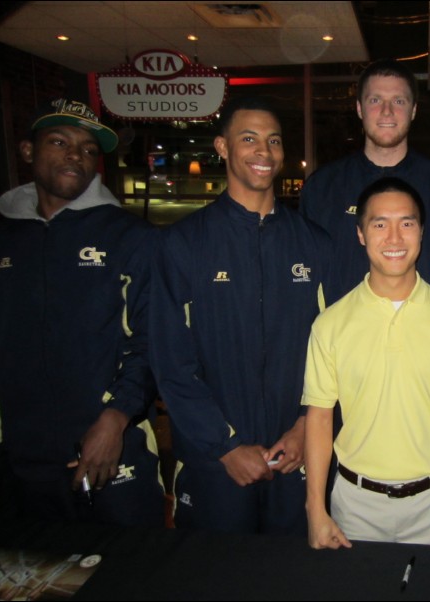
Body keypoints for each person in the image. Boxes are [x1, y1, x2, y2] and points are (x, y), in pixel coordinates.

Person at [150, 96, 329, 534]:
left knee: (295, 576)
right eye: (248, 139)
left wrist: (307, 426)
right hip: (215, 464)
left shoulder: (315, 244)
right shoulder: (183, 245)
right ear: (222, 147)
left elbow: (338, 351)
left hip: (298, 454)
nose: (263, 152)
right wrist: (224, 446)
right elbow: (171, 363)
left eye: (273, 141)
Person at [0, 98, 164, 526]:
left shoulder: (130, 238)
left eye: (87, 149)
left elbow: (153, 340)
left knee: (130, 576)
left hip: (115, 448)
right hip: (22, 461)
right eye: (60, 142)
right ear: (28, 151)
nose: (75, 156)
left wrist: (116, 417)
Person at [303, 176, 430, 550]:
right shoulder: (330, 324)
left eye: (406, 223)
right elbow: (320, 418)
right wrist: (315, 509)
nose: (393, 238)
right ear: (360, 235)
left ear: (422, 233)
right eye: (379, 224)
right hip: (354, 504)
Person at [299, 58, 430, 310]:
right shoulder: (322, 188)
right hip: (345, 342)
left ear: (413, 110)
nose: (386, 111)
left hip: (424, 340)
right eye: (375, 100)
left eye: (398, 101)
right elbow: (306, 280)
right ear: (359, 108)